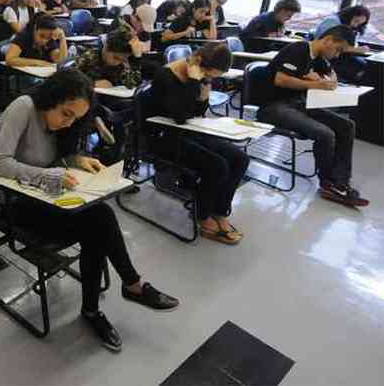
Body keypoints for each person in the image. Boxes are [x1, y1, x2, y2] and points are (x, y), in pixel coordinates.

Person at [0, 69, 179, 351]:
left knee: (97, 226)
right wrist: (50, 176)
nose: (69, 124)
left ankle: (101, 305)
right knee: (100, 220)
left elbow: (54, 158)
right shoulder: (24, 108)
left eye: (76, 119)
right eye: (66, 114)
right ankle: (129, 287)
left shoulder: (63, 123)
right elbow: (0, 163)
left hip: (47, 198)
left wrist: (76, 159)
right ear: (51, 99)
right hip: (18, 205)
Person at [255, 25, 368, 207]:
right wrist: (315, 84)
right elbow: (281, 80)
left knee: (347, 125)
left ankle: (341, 181)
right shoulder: (298, 49)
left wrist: (327, 81)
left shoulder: (319, 58)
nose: (337, 55)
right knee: (325, 133)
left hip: (297, 104)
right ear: (328, 40)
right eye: (337, 49)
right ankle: (328, 183)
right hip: (272, 106)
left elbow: (332, 79)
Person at [149, 42, 249, 244]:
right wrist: (195, 83)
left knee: (240, 158)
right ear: (199, 62)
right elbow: (180, 116)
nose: (208, 79)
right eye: (209, 75)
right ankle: (202, 215)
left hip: (189, 132)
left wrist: (204, 92)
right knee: (217, 165)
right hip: (165, 137)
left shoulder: (199, 76)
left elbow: (197, 112)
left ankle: (219, 211)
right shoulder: (166, 75)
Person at [74, 24, 144, 90]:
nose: (117, 63)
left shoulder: (122, 63)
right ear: (106, 47)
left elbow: (133, 84)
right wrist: (92, 84)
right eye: (115, 58)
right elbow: (70, 81)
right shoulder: (88, 57)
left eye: (122, 60)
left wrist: (137, 58)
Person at [314, 5, 372, 84]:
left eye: (360, 24)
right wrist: (355, 49)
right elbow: (329, 45)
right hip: (324, 55)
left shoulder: (351, 27)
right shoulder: (332, 21)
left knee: (365, 65)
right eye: (356, 21)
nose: (356, 25)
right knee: (355, 69)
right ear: (350, 15)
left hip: (340, 56)